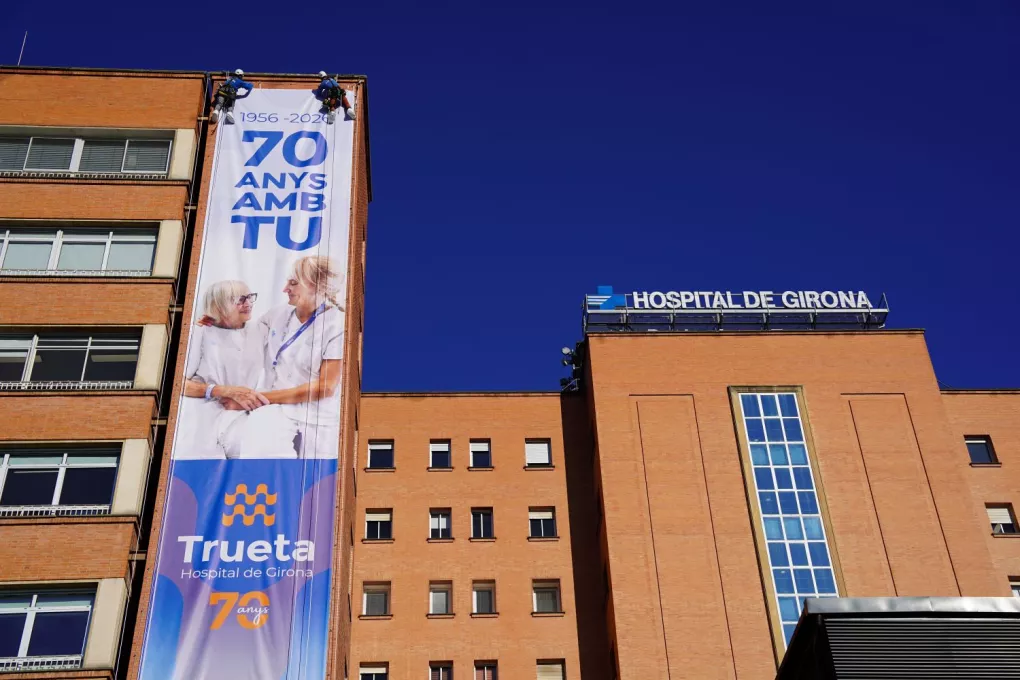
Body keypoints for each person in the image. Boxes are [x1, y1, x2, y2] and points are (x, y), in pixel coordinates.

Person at [236, 256, 345, 459]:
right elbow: (243, 334)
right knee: (262, 458)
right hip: (277, 409)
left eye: (293, 283)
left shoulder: (337, 326)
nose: (285, 289)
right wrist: (214, 322)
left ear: (318, 286)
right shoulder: (277, 314)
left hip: (319, 417)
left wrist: (260, 397)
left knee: (319, 483)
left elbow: (325, 387)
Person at [178, 281, 268, 459]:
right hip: (205, 415)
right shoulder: (199, 333)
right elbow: (178, 385)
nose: (248, 303)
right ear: (219, 305)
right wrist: (223, 391)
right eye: (241, 299)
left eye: (250, 297)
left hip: (248, 413)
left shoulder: (260, 330)